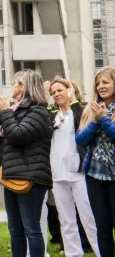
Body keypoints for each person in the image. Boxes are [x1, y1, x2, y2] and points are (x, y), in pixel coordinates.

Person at [0, 69, 53, 257]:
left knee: (31, 228)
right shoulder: (15, 110)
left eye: (16, 83)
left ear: (25, 87)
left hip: (30, 178)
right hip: (11, 174)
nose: (13, 86)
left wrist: (6, 112)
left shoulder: (39, 112)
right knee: (15, 229)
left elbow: (18, 135)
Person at [49, 77, 100, 256]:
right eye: (53, 92)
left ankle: (102, 251)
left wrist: (73, 101)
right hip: (58, 174)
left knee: (89, 217)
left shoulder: (81, 110)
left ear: (69, 90)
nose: (56, 94)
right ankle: (73, 253)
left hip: (79, 174)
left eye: (60, 90)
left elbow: (82, 122)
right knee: (66, 220)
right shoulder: (53, 115)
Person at [75, 66, 115, 257]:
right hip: (94, 177)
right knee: (103, 229)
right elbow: (80, 140)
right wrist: (95, 121)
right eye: (98, 83)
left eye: (105, 82)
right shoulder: (90, 109)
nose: (101, 86)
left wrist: (104, 120)